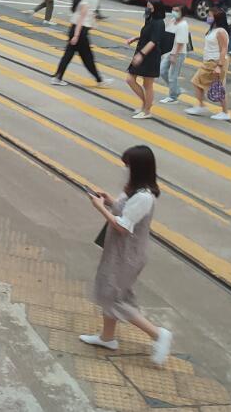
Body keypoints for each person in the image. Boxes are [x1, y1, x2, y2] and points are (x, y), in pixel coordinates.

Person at [81, 145, 173, 366]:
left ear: (138, 168)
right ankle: (107, 338)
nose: (125, 168)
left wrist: (99, 207)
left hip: (127, 254)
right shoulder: (134, 189)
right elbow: (124, 210)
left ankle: (158, 335)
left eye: (128, 165)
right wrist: (110, 201)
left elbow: (123, 226)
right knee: (111, 292)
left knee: (112, 295)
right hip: (119, 251)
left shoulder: (144, 197)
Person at [51, 0, 112, 88]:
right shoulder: (84, 3)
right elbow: (80, 21)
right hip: (80, 33)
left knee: (68, 56)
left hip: (74, 29)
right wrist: (76, 35)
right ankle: (100, 80)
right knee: (88, 58)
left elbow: (82, 18)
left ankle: (57, 77)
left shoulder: (79, 1)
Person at [187, 8, 230, 120]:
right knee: (200, 82)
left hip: (215, 62)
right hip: (209, 61)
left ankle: (223, 112)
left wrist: (219, 66)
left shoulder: (220, 31)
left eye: (210, 15)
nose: (208, 17)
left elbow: (224, 49)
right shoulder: (213, 30)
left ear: (216, 18)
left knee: (216, 87)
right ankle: (201, 105)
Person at [125, 1, 166, 119]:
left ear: (156, 8)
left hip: (150, 56)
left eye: (149, 7)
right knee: (130, 79)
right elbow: (147, 35)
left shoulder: (159, 23)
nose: (147, 9)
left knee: (147, 84)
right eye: (147, 7)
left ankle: (147, 110)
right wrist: (135, 38)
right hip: (141, 52)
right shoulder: (150, 19)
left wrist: (141, 55)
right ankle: (146, 104)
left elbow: (153, 41)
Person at [158, 5, 190, 103]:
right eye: (173, 9)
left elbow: (181, 42)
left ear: (182, 13)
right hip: (169, 51)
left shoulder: (183, 25)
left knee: (173, 76)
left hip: (178, 53)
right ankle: (176, 90)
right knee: (162, 71)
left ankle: (173, 97)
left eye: (177, 10)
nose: (174, 12)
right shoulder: (172, 21)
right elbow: (167, 34)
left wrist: (174, 56)